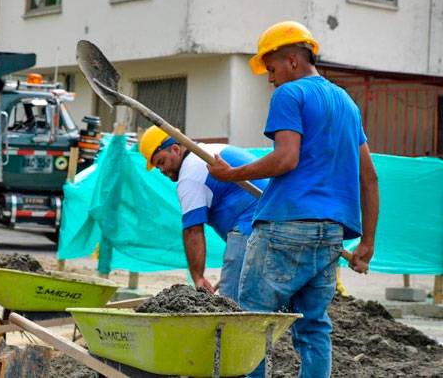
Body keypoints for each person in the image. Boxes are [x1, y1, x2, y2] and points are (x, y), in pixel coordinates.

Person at [207, 21, 379, 378]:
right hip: (331, 233)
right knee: (314, 327)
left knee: (251, 321)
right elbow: (369, 177)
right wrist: (368, 241)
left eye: (270, 69)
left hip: (286, 227)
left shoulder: (290, 94)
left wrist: (231, 174)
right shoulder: (347, 103)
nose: (270, 79)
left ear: (292, 61)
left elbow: (286, 158)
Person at [139, 126, 268, 301]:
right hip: (272, 219)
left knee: (232, 299)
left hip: (251, 225)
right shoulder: (206, 152)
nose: (161, 170)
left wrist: (198, 278)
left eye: (161, 162)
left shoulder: (190, 175)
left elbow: (193, 231)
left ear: (176, 149)